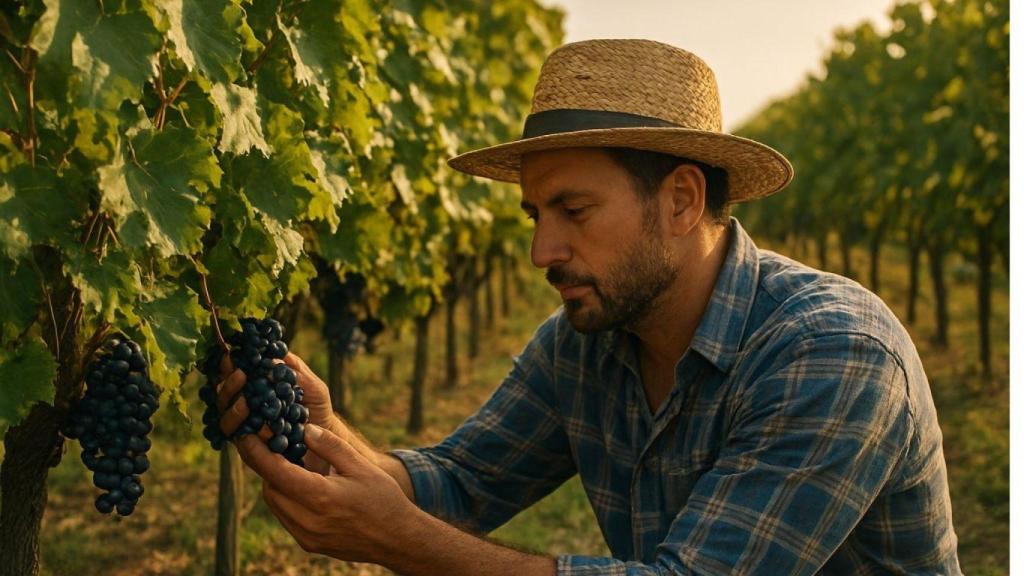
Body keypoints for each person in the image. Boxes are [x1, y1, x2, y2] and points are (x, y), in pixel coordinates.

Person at [215, 39, 961, 575]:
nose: (542, 250)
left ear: (681, 200)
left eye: (573, 210)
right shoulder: (587, 341)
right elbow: (461, 483)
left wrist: (400, 541)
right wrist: (324, 438)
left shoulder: (833, 352)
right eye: (535, 215)